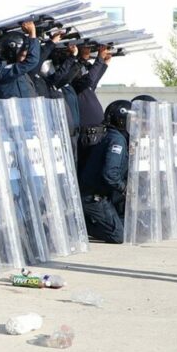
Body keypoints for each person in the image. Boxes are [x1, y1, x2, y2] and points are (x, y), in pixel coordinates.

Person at [78, 99, 130, 244]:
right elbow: (110, 174)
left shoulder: (113, 136)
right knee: (118, 235)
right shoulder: (117, 141)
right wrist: (125, 188)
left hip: (101, 195)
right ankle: (79, 227)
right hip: (93, 197)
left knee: (129, 227)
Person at [0, 21, 41, 99]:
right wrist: (32, 33)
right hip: (16, 110)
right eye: (22, 55)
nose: (25, 58)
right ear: (11, 53)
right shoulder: (0, 73)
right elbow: (32, 60)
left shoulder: (12, 72)